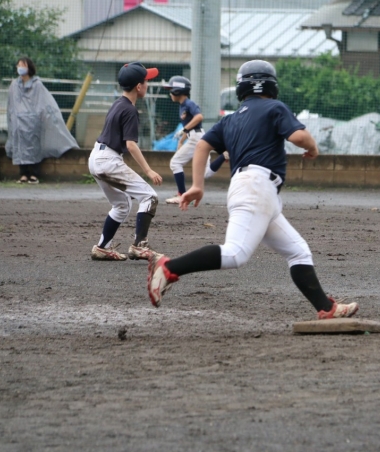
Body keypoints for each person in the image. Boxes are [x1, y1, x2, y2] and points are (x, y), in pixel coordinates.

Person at [147, 60, 359, 320]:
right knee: (235, 254)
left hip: (253, 189)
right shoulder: (274, 107)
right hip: (257, 187)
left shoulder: (231, 119)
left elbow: (202, 146)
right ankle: (169, 267)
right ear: (271, 86)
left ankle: (326, 309)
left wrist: (197, 186)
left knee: (298, 251)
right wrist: (313, 148)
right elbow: (299, 137)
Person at [88, 62, 163, 261]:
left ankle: (102, 247)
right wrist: (149, 171)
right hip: (108, 160)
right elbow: (131, 145)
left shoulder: (118, 103)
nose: (147, 84)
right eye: (145, 81)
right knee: (149, 197)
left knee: (122, 204)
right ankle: (139, 246)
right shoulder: (130, 110)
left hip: (96, 157)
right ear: (138, 86)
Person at [5, 57, 78, 184]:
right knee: (19, 146)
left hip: (33, 121)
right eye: (19, 65)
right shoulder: (14, 85)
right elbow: (11, 104)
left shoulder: (37, 85)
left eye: (23, 65)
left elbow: (43, 102)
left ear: (29, 68)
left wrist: (36, 116)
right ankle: (23, 173)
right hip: (18, 122)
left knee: (34, 146)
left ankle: (34, 173)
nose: (20, 67)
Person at [162, 76, 227, 204]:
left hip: (196, 137)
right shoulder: (182, 106)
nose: (170, 93)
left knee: (175, 163)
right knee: (205, 173)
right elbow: (190, 126)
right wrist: (181, 140)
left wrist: (184, 130)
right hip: (195, 136)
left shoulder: (188, 103)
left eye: (171, 90)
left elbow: (199, 117)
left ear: (178, 91)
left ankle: (181, 195)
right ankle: (224, 155)